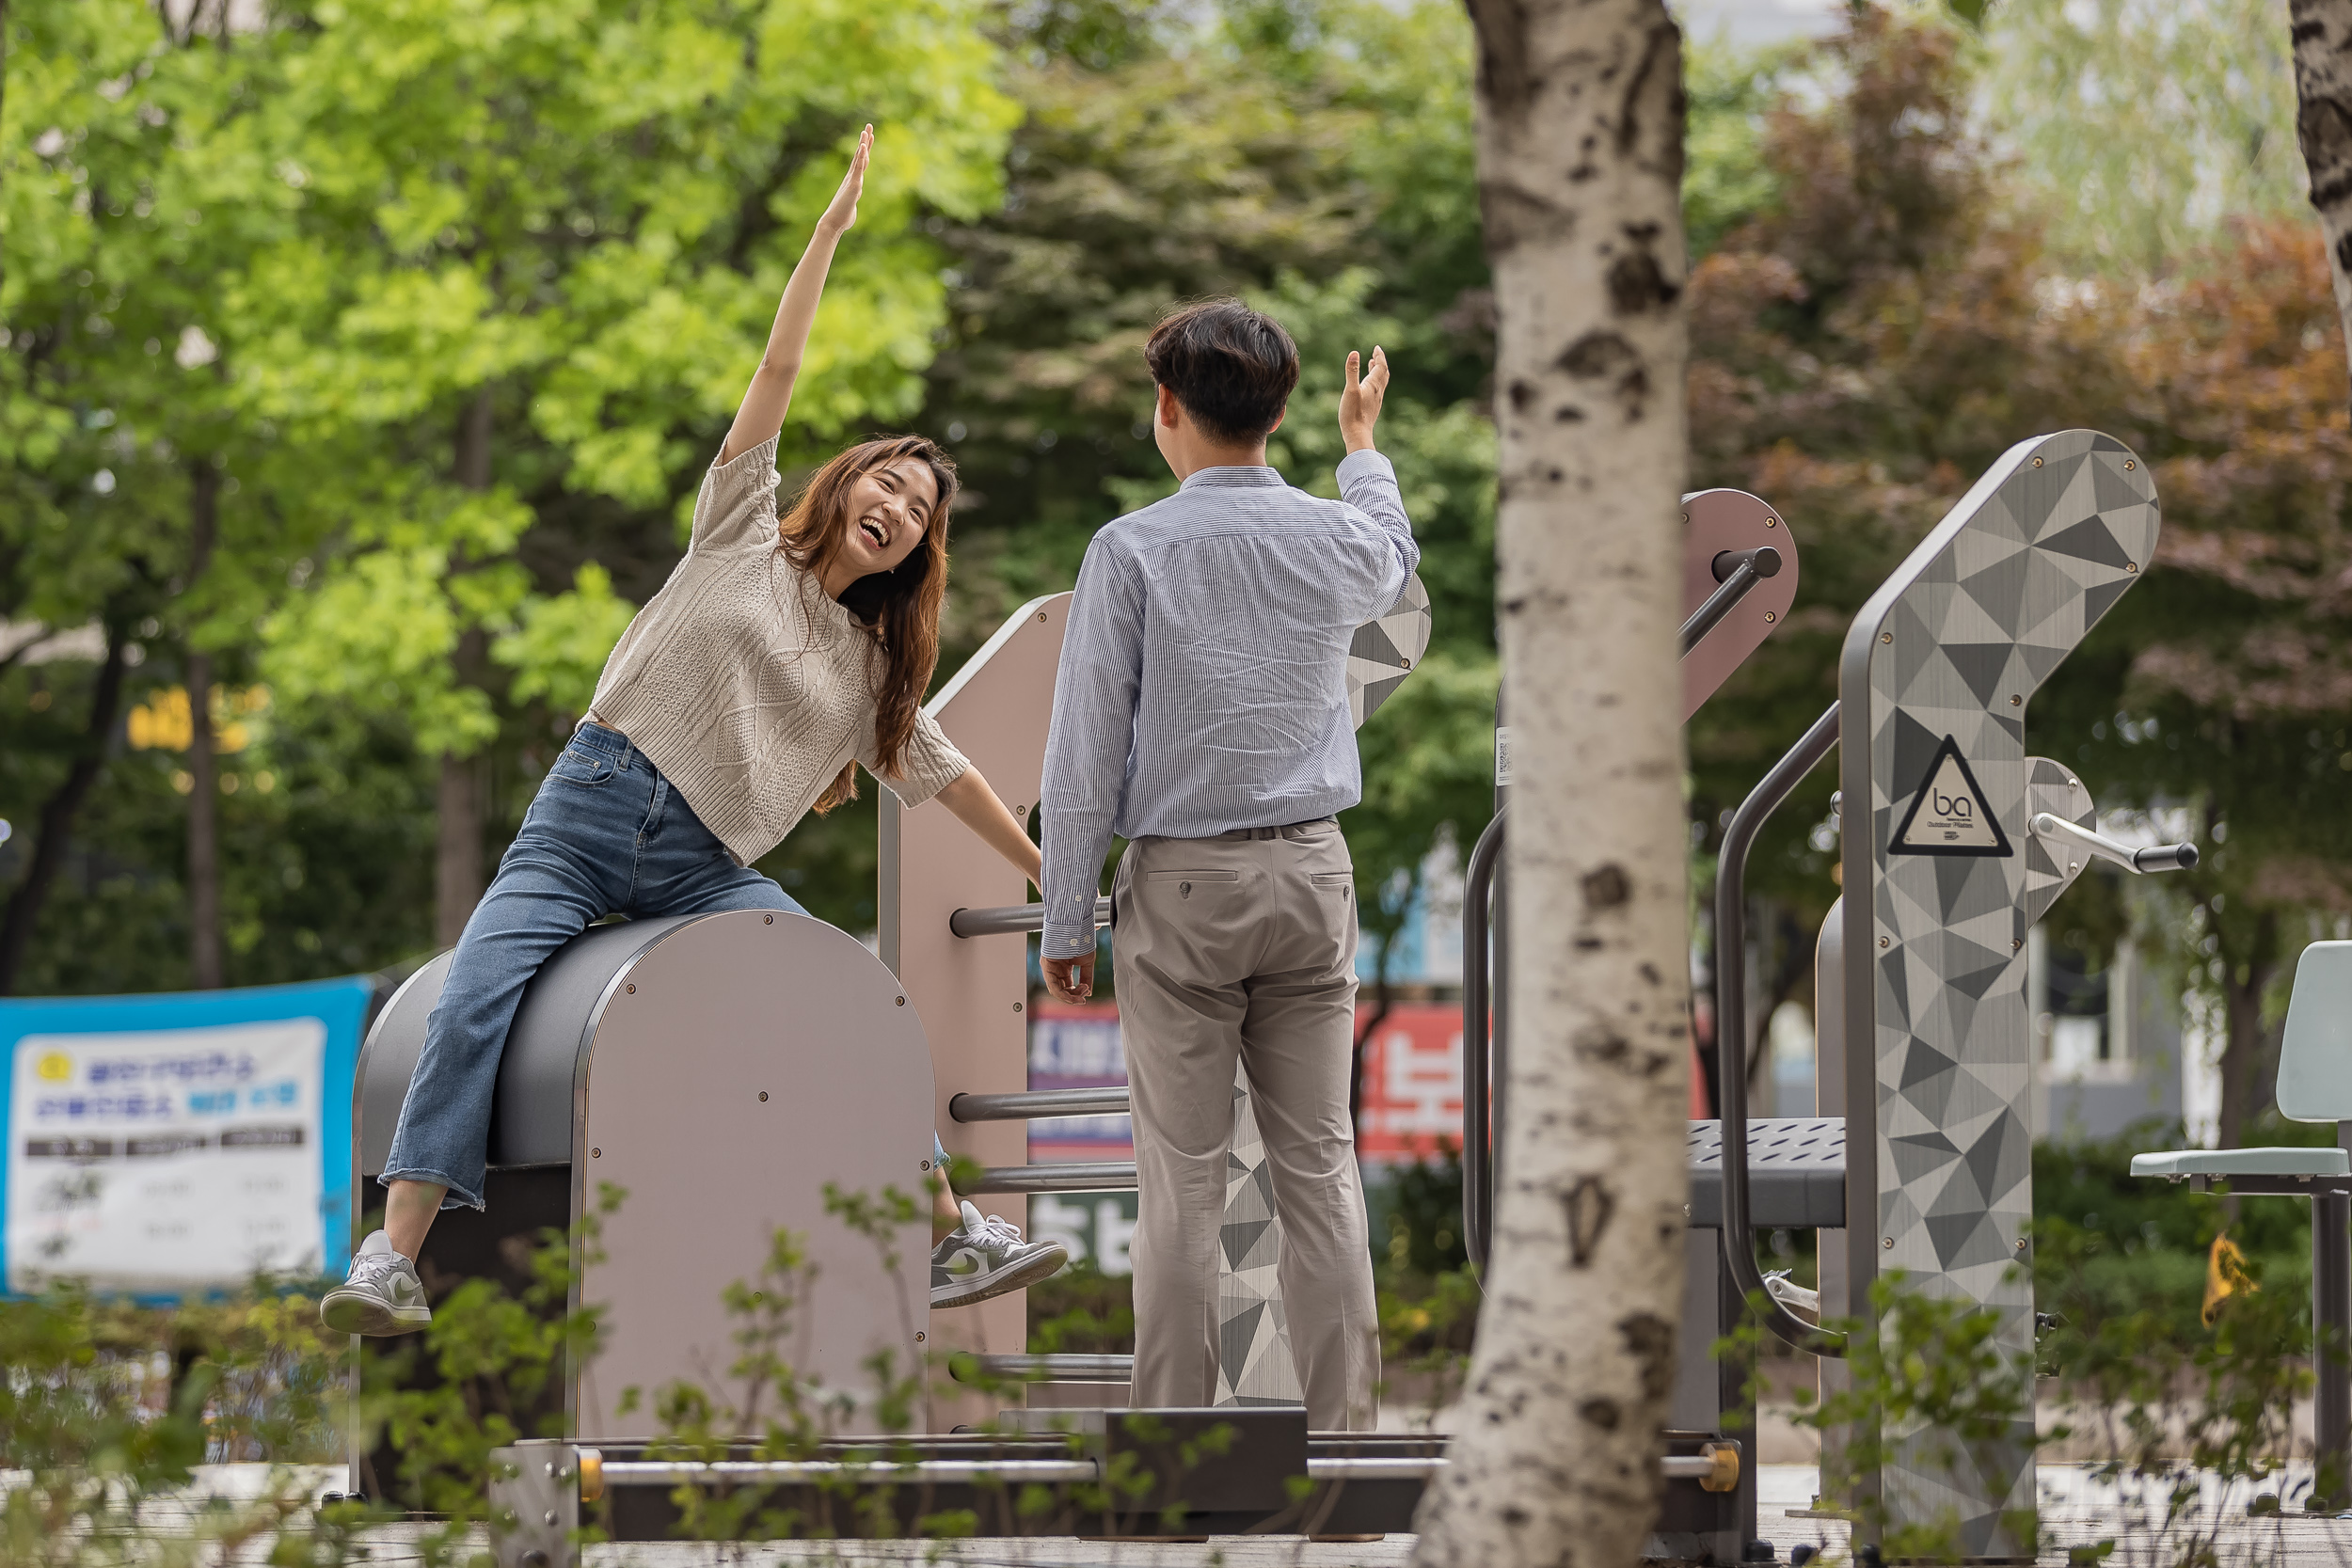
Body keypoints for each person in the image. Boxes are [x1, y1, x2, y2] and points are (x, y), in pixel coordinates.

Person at [321, 129, 1064, 1337]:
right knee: (473, 996)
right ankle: (392, 1261)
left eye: (919, 514)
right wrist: (825, 238)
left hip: (702, 867)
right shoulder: (740, 529)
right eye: (889, 484)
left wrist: (1051, 873)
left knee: (840, 984)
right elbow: (775, 373)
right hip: (587, 811)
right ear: (849, 479)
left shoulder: (873, 668)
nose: (897, 511)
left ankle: (955, 1233)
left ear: (921, 550)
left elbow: (947, 774)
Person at [1037, 300, 1414, 1431]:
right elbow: (1394, 561)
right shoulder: (1334, 536)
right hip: (1312, 874)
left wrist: (1068, 919)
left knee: (1183, 1185)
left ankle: (1173, 1458)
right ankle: (1349, 1453)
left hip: (1183, 887)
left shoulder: (1132, 547)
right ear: (1281, 412)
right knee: (1321, 1169)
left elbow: (1085, 746)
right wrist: (1363, 450)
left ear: (1167, 409)